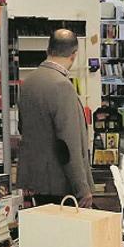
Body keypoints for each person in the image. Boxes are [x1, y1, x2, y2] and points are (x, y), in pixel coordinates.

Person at [17, 28, 94, 207]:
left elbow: (23, 128)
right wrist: (82, 188)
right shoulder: (62, 85)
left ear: (48, 50)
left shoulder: (28, 82)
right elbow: (68, 144)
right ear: (74, 55)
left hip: (34, 181)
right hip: (60, 185)